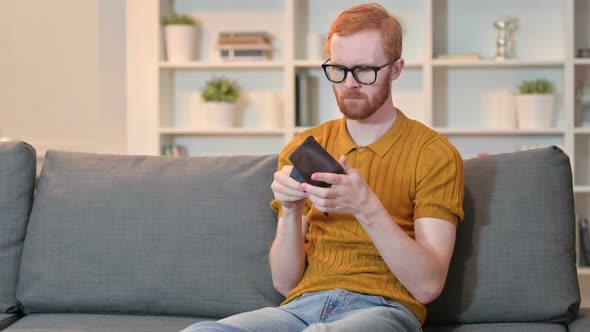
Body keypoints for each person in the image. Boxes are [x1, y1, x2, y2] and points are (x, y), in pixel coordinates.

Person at [181, 3, 464, 332]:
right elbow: (285, 283)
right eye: (339, 69)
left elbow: (428, 286)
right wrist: (290, 209)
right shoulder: (305, 147)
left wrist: (366, 207)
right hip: (303, 305)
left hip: (384, 309)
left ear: (396, 69)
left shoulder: (434, 154)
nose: (349, 84)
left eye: (365, 71)